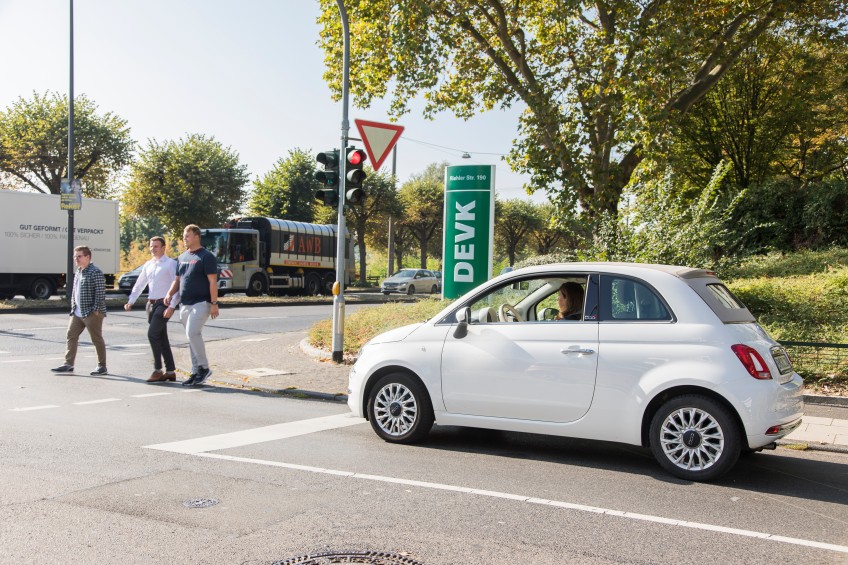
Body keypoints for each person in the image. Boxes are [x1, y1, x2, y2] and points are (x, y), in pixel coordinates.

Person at [165, 224, 219, 386]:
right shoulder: (182, 257)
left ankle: (203, 368)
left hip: (202, 302)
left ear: (196, 237)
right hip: (185, 303)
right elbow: (177, 280)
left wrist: (214, 303)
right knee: (191, 337)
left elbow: (212, 281)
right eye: (183, 236)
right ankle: (196, 371)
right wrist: (169, 293)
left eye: (187, 236)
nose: (184, 239)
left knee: (192, 333)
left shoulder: (206, 257)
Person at [124, 236, 180, 383]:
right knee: (161, 337)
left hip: (164, 303)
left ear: (163, 248)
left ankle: (157, 369)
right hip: (151, 304)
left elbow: (177, 285)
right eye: (151, 246)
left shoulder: (170, 264)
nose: (152, 249)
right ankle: (170, 371)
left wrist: (172, 306)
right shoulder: (148, 264)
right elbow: (140, 284)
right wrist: (131, 301)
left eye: (156, 246)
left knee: (152, 334)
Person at [52, 246, 108, 375]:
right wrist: (73, 308)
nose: (76, 259)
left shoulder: (95, 272)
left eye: (79, 256)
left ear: (87, 257)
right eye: (75, 256)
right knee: (71, 335)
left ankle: (102, 366)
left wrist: (95, 310)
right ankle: (68, 364)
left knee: (96, 338)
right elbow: (75, 292)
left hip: (91, 313)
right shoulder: (79, 271)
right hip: (77, 312)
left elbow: (100, 293)